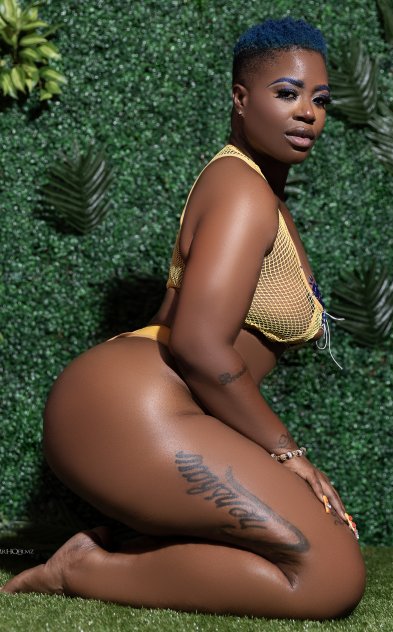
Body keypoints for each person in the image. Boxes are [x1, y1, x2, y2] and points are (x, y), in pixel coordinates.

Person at [0, 17, 366, 620]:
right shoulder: (243, 190)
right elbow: (197, 343)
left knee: (329, 550)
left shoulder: (256, 190)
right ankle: (83, 569)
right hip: (129, 407)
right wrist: (288, 453)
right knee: (330, 577)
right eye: (286, 93)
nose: (307, 112)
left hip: (159, 409)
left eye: (320, 100)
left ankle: (124, 543)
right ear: (240, 99)